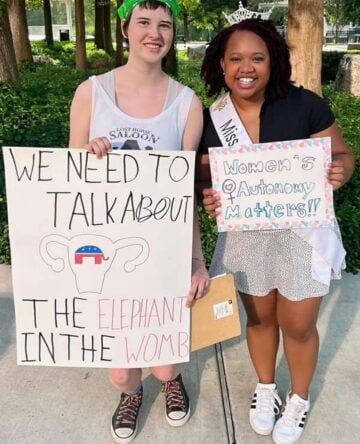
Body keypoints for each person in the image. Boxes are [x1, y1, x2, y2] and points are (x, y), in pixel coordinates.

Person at [198, 19, 354, 444]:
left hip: (302, 233)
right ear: (221, 64)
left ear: (273, 62)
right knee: (260, 318)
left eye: (257, 57)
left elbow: (341, 151)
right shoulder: (212, 117)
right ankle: (266, 389)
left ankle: (298, 398)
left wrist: (340, 170)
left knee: (299, 325)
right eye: (235, 58)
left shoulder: (304, 104)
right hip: (247, 236)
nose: (246, 67)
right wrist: (208, 197)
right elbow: (203, 179)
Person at [69, 1, 209, 442]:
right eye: (144, 23)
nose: (155, 33)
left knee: (165, 363)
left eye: (165, 25)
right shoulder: (91, 93)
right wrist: (90, 157)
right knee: (121, 375)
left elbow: (184, 193)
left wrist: (197, 261)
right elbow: (67, 180)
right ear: (125, 27)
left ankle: (171, 382)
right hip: (106, 255)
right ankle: (132, 395)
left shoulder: (187, 104)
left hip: (161, 256)